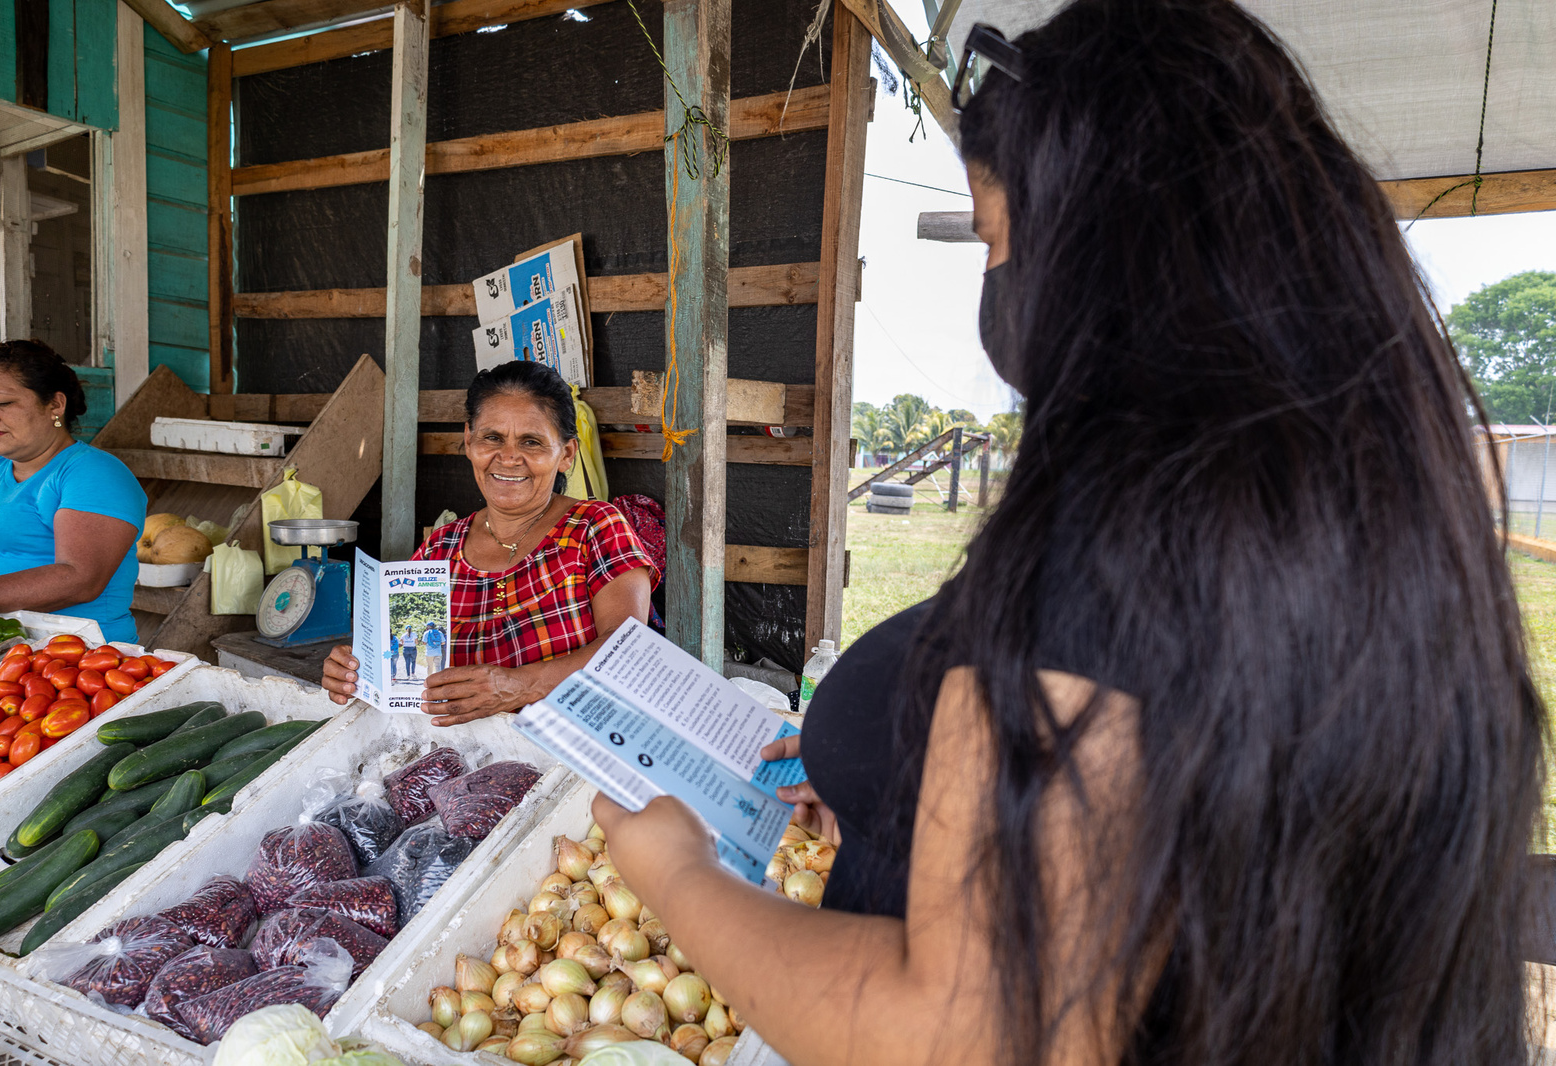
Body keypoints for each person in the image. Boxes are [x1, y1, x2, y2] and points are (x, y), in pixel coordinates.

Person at [590, 4, 1545, 1066]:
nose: (993, 288)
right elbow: (1169, 809)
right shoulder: (1365, 504)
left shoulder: (1122, 521)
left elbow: (969, 1034)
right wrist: (901, 789)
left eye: (994, 239)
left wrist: (676, 871)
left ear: (1099, 244)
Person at [321, 360, 656, 724]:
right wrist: (359, 672)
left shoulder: (596, 527)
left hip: (574, 759)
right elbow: (405, 668)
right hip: (462, 758)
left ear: (567, 454)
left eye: (531, 442)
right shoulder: (439, 550)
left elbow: (630, 654)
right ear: (469, 441)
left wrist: (519, 686)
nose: (509, 458)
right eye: (492, 438)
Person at [0, 340, 146, 643]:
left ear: (55, 405)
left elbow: (80, 579)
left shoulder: (94, 473)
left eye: (3, 402)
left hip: (76, 662)